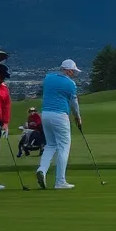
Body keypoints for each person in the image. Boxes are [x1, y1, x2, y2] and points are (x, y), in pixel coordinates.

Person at [36, 59, 82, 190]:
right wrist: (78, 117)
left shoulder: (48, 78)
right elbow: (74, 103)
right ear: (68, 70)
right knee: (64, 147)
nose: (73, 74)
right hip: (60, 115)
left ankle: (42, 169)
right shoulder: (70, 84)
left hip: (45, 114)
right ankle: (60, 181)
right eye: (73, 71)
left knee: (50, 145)